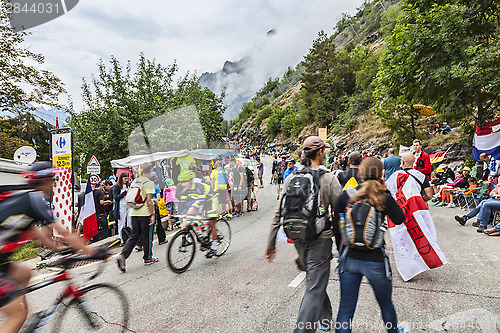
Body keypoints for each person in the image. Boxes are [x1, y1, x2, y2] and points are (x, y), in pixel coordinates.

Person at [0, 162, 103, 333]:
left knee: (25, 274)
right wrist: (92, 251)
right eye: (53, 180)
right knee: (16, 314)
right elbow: (65, 232)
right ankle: (17, 317)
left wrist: (61, 250)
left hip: (2, 260)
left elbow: (39, 234)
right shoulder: (36, 198)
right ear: (44, 180)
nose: (55, 184)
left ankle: (21, 320)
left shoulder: (25, 199)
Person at [265, 136, 342, 332]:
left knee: (314, 280)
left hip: (298, 238)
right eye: (324, 150)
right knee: (315, 287)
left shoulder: (292, 178)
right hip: (321, 240)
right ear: (320, 152)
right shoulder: (329, 178)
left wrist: (271, 243)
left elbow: (279, 212)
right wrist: (344, 244)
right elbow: (342, 211)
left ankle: (324, 318)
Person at [334, 157, 405, 333]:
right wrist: (386, 191)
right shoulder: (383, 197)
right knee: (386, 306)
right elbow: (399, 219)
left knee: (346, 310)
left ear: (360, 173)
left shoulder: (346, 196)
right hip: (375, 259)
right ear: (381, 174)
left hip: (349, 258)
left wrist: (342, 250)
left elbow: (337, 227)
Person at [117, 162, 158, 272]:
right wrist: (152, 214)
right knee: (147, 236)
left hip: (133, 212)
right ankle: (148, 257)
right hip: (144, 213)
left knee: (134, 236)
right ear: (150, 171)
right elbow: (149, 201)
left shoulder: (135, 181)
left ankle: (123, 255)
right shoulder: (148, 183)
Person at [177, 170, 220, 258]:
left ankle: (214, 247)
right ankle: (203, 233)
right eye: (181, 182)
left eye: (184, 182)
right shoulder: (185, 190)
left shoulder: (199, 187)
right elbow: (182, 203)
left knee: (211, 222)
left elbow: (201, 202)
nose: (182, 184)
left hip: (211, 200)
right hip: (201, 201)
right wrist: (177, 215)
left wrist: (196, 213)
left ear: (191, 181)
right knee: (191, 215)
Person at [113, 172, 130, 245]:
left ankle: (129, 237)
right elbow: (116, 198)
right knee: (121, 223)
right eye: (125, 179)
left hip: (128, 205)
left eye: (127, 179)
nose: (126, 180)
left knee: (129, 222)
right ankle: (121, 238)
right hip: (121, 205)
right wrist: (125, 193)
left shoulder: (127, 186)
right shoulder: (117, 187)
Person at [150, 172, 167, 245]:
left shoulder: (145, 186)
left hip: (146, 206)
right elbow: (159, 198)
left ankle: (141, 244)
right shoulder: (156, 187)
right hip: (154, 206)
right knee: (158, 223)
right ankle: (161, 239)